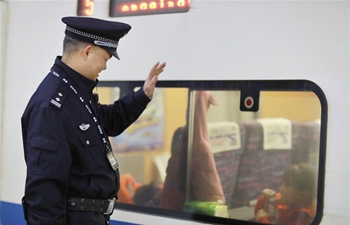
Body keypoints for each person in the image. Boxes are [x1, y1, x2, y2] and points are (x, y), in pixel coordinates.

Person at [21, 16, 166, 225]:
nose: (105, 67)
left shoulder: (76, 94)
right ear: (87, 51)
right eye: (106, 58)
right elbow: (44, 191)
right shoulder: (52, 107)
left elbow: (108, 121)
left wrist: (142, 95)